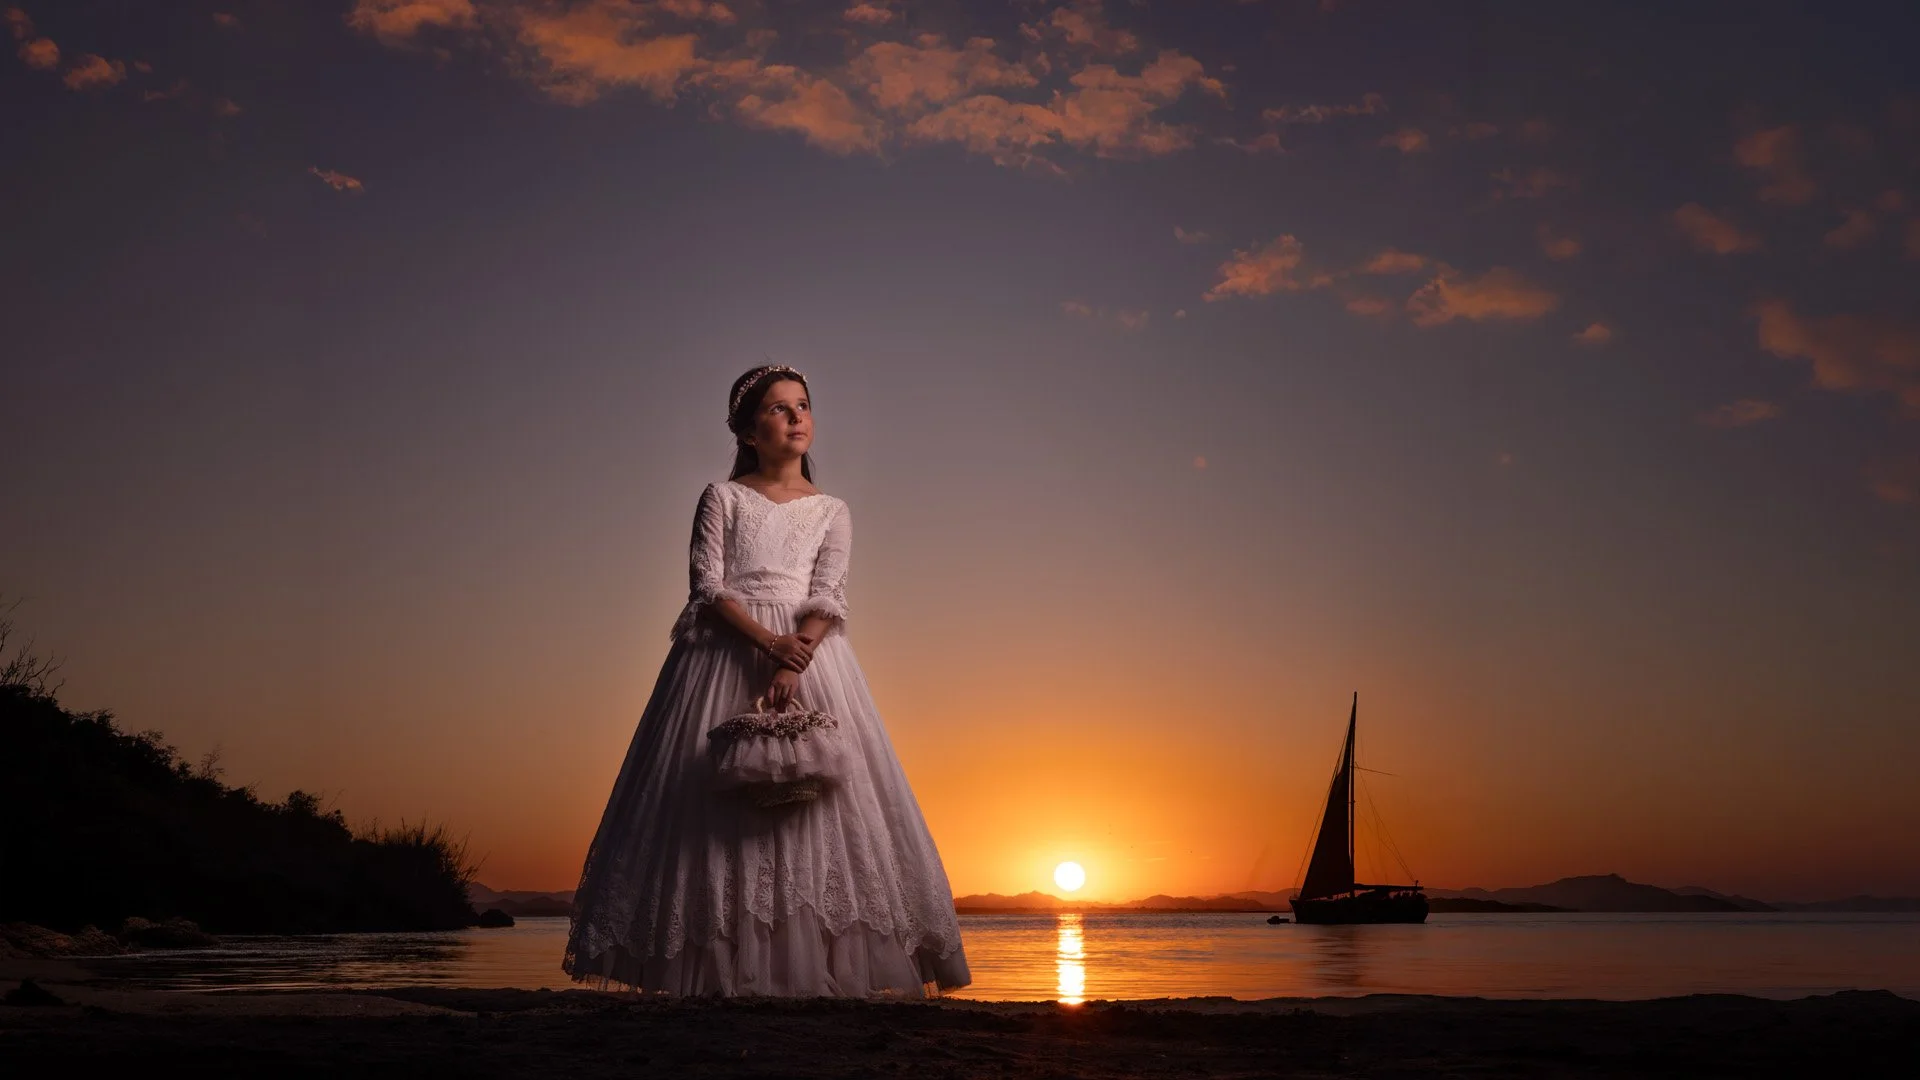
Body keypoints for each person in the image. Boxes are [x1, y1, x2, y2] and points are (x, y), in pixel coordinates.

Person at [563, 364, 971, 997]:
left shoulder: (833, 509)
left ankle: (816, 963)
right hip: (725, 651)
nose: (796, 417)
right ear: (748, 431)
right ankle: (722, 966)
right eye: (779, 409)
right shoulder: (721, 497)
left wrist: (792, 660)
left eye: (803, 405)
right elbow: (707, 589)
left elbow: (828, 591)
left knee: (821, 809)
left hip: (812, 655)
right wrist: (767, 642)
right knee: (713, 811)